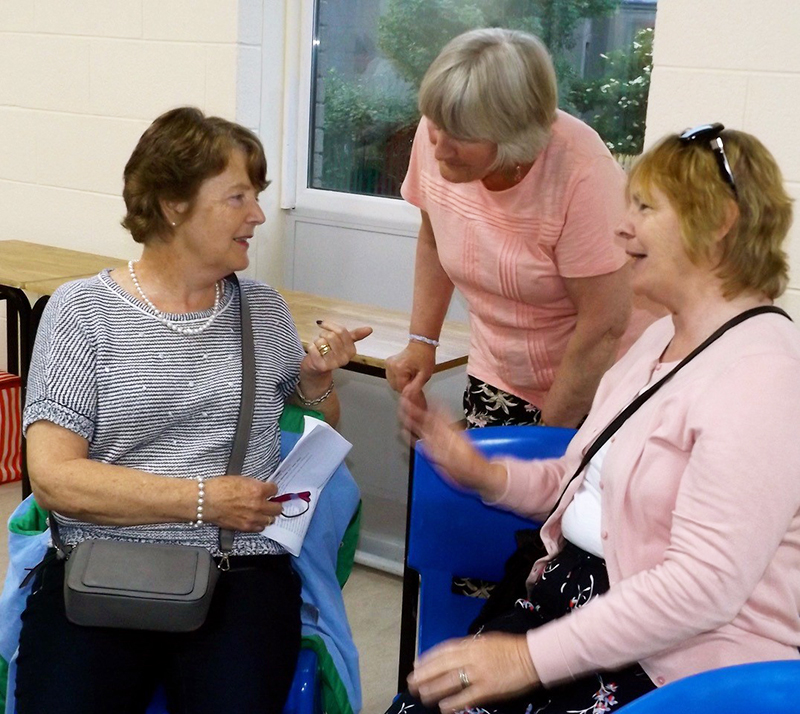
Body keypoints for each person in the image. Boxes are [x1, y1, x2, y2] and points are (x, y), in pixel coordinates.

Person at [386, 124, 800, 714]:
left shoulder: (764, 378)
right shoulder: (662, 339)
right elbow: (576, 486)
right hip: (575, 607)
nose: (621, 226)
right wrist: (481, 473)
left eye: (644, 208)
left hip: (681, 668)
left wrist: (526, 660)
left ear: (720, 223)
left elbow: (702, 590)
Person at [16, 106, 371, 714]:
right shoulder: (81, 313)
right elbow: (54, 478)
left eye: (255, 197)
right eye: (238, 197)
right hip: (100, 567)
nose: (257, 215)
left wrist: (315, 383)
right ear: (174, 205)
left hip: (241, 574)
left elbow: (316, 421)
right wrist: (205, 500)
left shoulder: (262, 309)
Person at [385, 28, 654, 429]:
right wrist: (422, 343)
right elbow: (433, 238)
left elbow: (604, 327)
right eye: (436, 125)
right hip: (502, 369)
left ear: (515, 138)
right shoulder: (438, 131)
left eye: (460, 135)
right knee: (489, 488)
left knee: (549, 487)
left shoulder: (581, 173)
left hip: (601, 377)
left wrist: (545, 441)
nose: (438, 148)